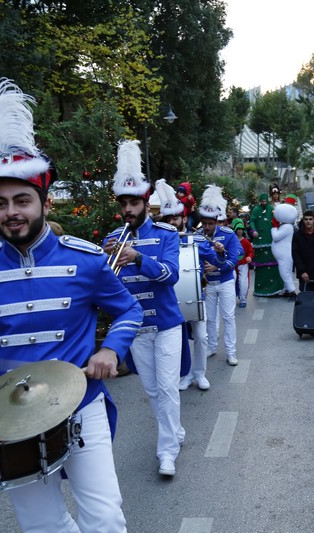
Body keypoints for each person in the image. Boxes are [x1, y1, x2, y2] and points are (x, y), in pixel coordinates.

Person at [0, 79, 141, 531]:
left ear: (44, 201)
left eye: (22, 200)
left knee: (104, 519)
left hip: (81, 403)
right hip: (8, 412)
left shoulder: (85, 260)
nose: (11, 212)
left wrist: (110, 350)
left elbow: (129, 310)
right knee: (43, 527)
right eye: (0, 204)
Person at [103, 140, 185, 478]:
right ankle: (175, 431)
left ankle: (167, 450)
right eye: (123, 204)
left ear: (145, 203)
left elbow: (171, 275)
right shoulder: (112, 236)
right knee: (152, 390)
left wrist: (138, 258)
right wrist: (104, 266)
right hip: (135, 329)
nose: (128, 210)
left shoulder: (166, 235)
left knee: (166, 387)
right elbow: (109, 289)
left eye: (133, 203)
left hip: (166, 324)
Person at [154, 179, 218, 392]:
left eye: (177, 218)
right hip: (170, 300)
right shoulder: (159, 244)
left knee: (201, 336)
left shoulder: (196, 240)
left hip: (196, 296)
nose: (173, 222)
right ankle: (186, 374)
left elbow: (215, 259)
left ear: (184, 218)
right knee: (179, 339)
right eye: (170, 218)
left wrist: (217, 252)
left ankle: (200, 374)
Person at [198, 184, 242, 366]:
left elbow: (234, 259)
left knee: (228, 317)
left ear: (216, 221)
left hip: (225, 282)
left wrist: (218, 266)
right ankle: (211, 347)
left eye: (210, 223)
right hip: (208, 284)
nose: (207, 227)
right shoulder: (198, 235)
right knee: (209, 318)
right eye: (205, 223)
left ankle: (231, 352)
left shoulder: (228, 234)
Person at [250, 192, 284, 296]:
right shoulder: (256, 209)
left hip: (271, 240)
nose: (264, 203)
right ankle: (261, 289)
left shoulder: (271, 208)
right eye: (262, 201)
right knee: (261, 267)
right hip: (259, 242)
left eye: (265, 201)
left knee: (274, 265)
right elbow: (252, 221)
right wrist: (254, 231)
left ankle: (275, 289)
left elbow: (277, 220)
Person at [273, 203, 298, 299]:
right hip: (284, 254)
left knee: (284, 273)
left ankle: (293, 291)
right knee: (287, 272)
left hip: (285, 255)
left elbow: (275, 237)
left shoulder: (287, 227)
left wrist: (273, 227)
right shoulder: (286, 226)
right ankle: (287, 290)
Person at [232, 217, 254, 308]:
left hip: (243, 264)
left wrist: (249, 257)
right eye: (238, 229)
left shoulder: (245, 241)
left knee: (243, 282)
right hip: (233, 264)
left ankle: (243, 299)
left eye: (241, 229)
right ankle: (231, 300)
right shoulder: (232, 240)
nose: (240, 231)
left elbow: (251, 251)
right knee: (231, 282)